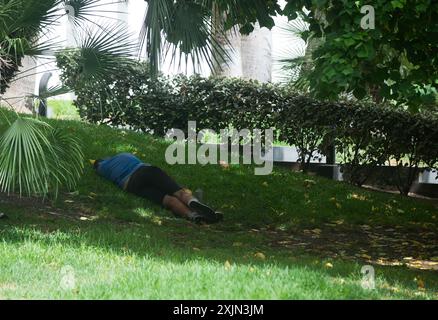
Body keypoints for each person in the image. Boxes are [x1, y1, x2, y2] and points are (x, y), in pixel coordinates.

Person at [91, 153, 222, 224]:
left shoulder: (102, 170)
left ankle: (192, 215)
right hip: (145, 171)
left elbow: (99, 167)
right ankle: (193, 202)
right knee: (177, 192)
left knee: (168, 200)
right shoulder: (123, 155)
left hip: (130, 186)